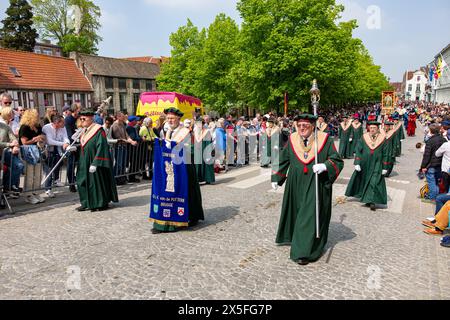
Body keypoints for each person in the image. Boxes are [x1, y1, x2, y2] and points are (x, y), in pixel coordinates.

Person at [271, 114, 344, 265]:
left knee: (309, 215)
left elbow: (336, 160)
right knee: (297, 212)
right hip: (295, 182)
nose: (302, 128)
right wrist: (277, 178)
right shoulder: (292, 139)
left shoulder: (325, 140)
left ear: (312, 126)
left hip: (316, 182)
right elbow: (284, 159)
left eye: (305, 126)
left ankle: (303, 251)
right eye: (299, 126)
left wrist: (326, 166)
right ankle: (294, 238)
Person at [150, 107, 205, 234]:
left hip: (183, 165)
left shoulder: (184, 131)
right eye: (168, 118)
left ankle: (189, 216)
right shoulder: (166, 130)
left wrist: (175, 146)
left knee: (186, 190)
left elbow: (188, 147)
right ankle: (163, 221)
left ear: (178, 119)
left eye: (172, 118)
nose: (169, 120)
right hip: (168, 165)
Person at [75, 109, 118, 212]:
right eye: (81, 118)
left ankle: (100, 203)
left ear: (91, 118)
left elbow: (102, 146)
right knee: (82, 180)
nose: (82, 120)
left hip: (94, 159)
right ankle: (85, 202)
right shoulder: (84, 130)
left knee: (96, 182)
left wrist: (96, 162)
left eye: (84, 118)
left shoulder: (98, 130)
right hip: (84, 159)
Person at [345, 121, 389, 211]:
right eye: (371, 128)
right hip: (364, 163)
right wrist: (357, 162)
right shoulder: (364, 137)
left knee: (374, 181)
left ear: (378, 129)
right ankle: (366, 199)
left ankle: (372, 201)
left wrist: (385, 167)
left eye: (374, 128)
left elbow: (386, 153)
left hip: (377, 163)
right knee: (364, 180)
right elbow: (358, 150)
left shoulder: (383, 139)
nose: (372, 129)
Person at [19, 109, 46, 204]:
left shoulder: (37, 126)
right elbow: (24, 142)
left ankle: (36, 192)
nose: (38, 117)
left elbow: (42, 136)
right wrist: (35, 139)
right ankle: (28, 195)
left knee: (38, 173)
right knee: (30, 174)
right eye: (36, 115)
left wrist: (41, 138)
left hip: (37, 151)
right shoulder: (24, 127)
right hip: (28, 152)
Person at [42, 115, 72, 198]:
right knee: (49, 170)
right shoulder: (46, 128)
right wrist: (63, 144)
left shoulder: (62, 127)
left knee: (58, 164)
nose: (64, 124)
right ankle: (48, 189)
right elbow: (50, 141)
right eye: (62, 122)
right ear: (57, 123)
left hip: (57, 149)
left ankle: (55, 180)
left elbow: (66, 137)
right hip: (47, 150)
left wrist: (67, 143)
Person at [0, 107, 24, 199]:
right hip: (2, 152)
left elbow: (13, 138)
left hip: (5, 153)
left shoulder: (5, 126)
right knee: (6, 172)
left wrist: (15, 146)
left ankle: (10, 187)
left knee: (19, 166)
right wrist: (10, 144)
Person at [420, 123, 446, 202]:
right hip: (440, 164)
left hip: (431, 165)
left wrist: (423, 166)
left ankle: (433, 198)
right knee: (437, 181)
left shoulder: (430, 141)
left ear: (430, 131)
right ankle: (437, 197)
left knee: (431, 182)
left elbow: (427, 155)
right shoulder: (443, 140)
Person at [110, 112, 137, 185]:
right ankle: (116, 178)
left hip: (124, 146)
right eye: (122, 116)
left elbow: (126, 135)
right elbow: (119, 138)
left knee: (123, 163)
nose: (124, 117)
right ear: (118, 117)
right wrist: (130, 142)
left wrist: (131, 141)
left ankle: (122, 178)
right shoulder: (114, 125)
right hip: (118, 147)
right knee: (118, 163)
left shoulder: (122, 124)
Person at [194, 117, 215, 184]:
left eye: (200, 124)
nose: (198, 125)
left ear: (203, 124)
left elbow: (209, 142)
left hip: (205, 148)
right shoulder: (195, 131)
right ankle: (198, 180)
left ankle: (208, 179)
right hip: (197, 150)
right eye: (197, 124)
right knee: (198, 165)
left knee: (207, 164)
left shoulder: (206, 131)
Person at [65, 104, 81, 193]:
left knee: (80, 165)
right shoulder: (68, 119)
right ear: (75, 110)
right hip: (72, 145)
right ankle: (71, 184)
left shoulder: (79, 118)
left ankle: (79, 181)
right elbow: (69, 134)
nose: (80, 111)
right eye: (79, 109)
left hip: (79, 145)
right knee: (71, 165)